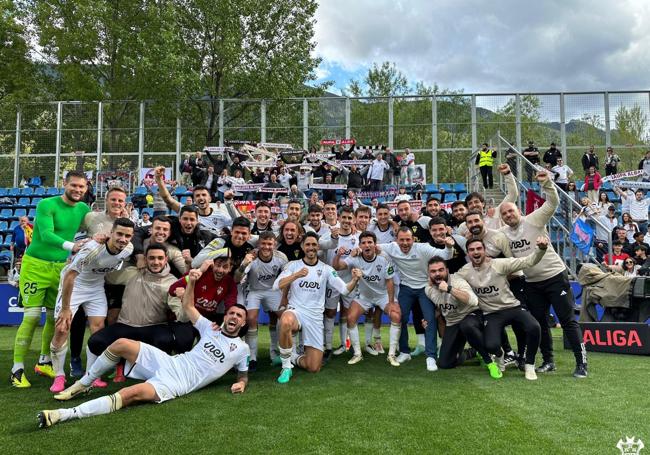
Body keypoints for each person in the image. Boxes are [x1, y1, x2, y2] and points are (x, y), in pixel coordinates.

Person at [38, 295, 249, 428]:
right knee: (122, 343)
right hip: (170, 362)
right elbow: (188, 305)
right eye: (231, 313)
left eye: (239, 315)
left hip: (179, 384)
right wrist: (192, 280)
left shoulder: (242, 348)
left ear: (244, 322)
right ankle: (83, 384)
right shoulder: (209, 328)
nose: (234, 317)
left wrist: (241, 383)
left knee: (129, 395)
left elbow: (243, 374)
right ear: (225, 316)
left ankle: (64, 415)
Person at [499, 169, 588, 378]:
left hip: (555, 278)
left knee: (567, 321)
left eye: (511, 211)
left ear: (518, 210)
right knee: (540, 323)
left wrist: (547, 183)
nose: (508, 215)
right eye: (504, 213)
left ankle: (581, 363)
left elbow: (552, 203)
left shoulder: (534, 219)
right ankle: (548, 361)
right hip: (531, 283)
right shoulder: (503, 234)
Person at [10, 171, 90, 389]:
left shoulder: (84, 209)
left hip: (61, 269)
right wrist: (72, 246)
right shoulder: (47, 204)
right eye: (74, 185)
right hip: (35, 265)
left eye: (82, 187)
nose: (78, 190)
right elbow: (45, 235)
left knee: (55, 317)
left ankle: (44, 361)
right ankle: (17, 369)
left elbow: (96, 226)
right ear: (64, 184)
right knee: (32, 317)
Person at [49, 219, 135, 393]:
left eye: (127, 235)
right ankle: (59, 376)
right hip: (74, 285)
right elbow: (69, 277)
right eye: (119, 234)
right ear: (111, 232)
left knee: (98, 330)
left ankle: (91, 376)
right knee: (62, 328)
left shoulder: (128, 249)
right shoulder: (92, 249)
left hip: (96, 288)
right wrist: (66, 309)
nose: (123, 239)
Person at [273, 232, 362, 384]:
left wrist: (354, 279)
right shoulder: (293, 265)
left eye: (314, 244)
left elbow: (345, 290)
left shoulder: (326, 269)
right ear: (302, 247)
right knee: (286, 321)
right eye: (307, 244)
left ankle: (291, 356)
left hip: (314, 317)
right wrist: (296, 275)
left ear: (318, 247)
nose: (311, 247)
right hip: (296, 311)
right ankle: (286, 366)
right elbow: (276, 285)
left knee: (313, 367)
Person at [457, 237, 548, 380]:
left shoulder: (499, 264)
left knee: (534, 327)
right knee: (492, 346)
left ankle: (529, 365)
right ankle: (500, 355)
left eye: (479, 249)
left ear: (485, 251)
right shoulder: (465, 271)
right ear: (468, 253)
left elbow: (528, 261)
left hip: (512, 307)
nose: (475, 252)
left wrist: (541, 249)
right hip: (491, 314)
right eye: (472, 250)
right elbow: (452, 280)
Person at [86, 243, 179, 363]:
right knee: (95, 342)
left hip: (155, 326)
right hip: (126, 325)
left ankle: (142, 365)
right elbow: (106, 276)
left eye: (160, 258)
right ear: (145, 259)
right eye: (151, 258)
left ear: (166, 259)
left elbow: (180, 312)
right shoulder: (133, 272)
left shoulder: (172, 282)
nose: (156, 262)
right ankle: (122, 362)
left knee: (165, 341)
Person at [378, 227, 455, 370]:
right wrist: (358, 250)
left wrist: (449, 246)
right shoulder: (391, 248)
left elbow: (446, 255)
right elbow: (371, 246)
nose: (405, 243)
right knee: (400, 318)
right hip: (406, 288)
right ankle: (404, 351)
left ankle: (431, 356)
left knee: (430, 319)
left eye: (408, 239)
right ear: (396, 240)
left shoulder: (423, 248)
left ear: (413, 239)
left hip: (425, 288)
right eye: (402, 240)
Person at [332, 232, 402, 366]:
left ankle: (391, 355)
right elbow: (337, 266)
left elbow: (389, 282)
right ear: (360, 245)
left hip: (382, 296)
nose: (367, 245)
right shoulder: (355, 258)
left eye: (370, 242)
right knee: (351, 317)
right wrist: (338, 255)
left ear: (375, 245)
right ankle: (357, 354)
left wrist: (392, 302)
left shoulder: (384, 259)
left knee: (396, 315)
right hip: (364, 296)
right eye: (363, 243)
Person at [424, 257, 501, 378]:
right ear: (428, 274)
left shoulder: (457, 281)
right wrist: (430, 319)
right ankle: (473, 352)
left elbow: (474, 301)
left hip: (471, 316)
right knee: (445, 363)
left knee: (467, 325)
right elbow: (441, 306)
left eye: (440, 270)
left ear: (447, 271)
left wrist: (449, 289)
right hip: (453, 322)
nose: (437, 274)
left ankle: (489, 361)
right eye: (433, 271)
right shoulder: (428, 289)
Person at [235, 232, 288, 370]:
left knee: (285, 318)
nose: (266, 247)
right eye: (263, 244)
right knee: (251, 318)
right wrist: (243, 265)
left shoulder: (281, 257)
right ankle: (252, 357)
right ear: (258, 244)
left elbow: (287, 278)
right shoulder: (251, 257)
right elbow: (236, 278)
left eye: (269, 244)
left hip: (273, 290)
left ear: (274, 245)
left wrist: (285, 296)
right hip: (254, 290)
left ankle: (276, 351)